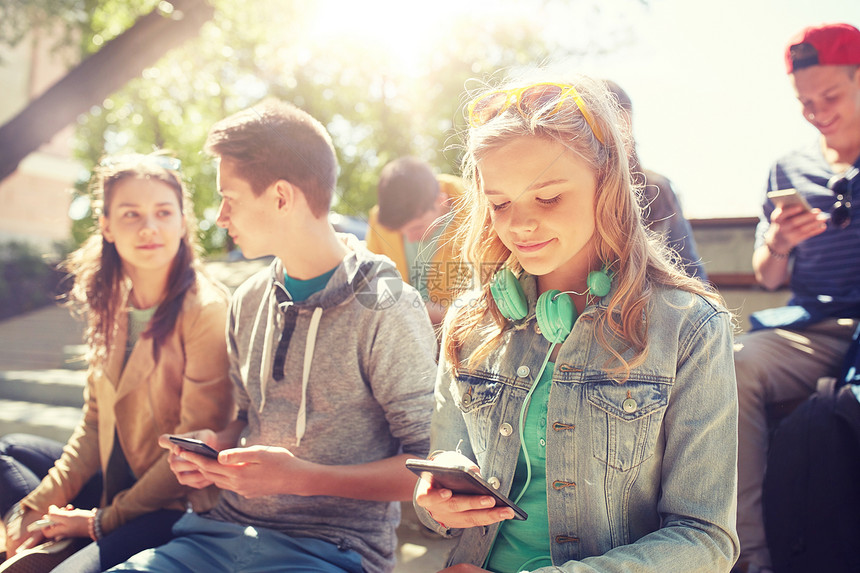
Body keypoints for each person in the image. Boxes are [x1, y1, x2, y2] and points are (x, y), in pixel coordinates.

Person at [413, 73, 740, 572]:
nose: (519, 223)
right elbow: (439, 497)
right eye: (500, 203)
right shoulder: (467, 322)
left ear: (607, 186)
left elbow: (706, 539)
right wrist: (434, 500)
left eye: (548, 198)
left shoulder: (691, 328)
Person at [108, 100, 438, 573]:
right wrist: (213, 449)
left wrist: (304, 480)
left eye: (230, 199)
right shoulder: (247, 299)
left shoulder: (387, 305)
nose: (220, 216)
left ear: (281, 197)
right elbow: (245, 420)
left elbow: (426, 468)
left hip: (332, 550)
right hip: (215, 537)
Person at [0, 153, 234, 572]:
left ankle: (63, 547)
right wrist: (32, 512)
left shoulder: (207, 311)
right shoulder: (113, 305)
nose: (149, 227)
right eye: (131, 214)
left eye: (164, 212)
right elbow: (93, 426)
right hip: (112, 483)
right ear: (106, 226)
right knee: (6, 453)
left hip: (172, 506)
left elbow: (191, 457)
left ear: (183, 222)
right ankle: (44, 537)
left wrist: (96, 523)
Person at [733, 22, 860, 573]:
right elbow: (766, 276)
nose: (818, 112)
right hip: (812, 328)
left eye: (830, 96)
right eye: (805, 102)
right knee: (731, 364)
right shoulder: (789, 166)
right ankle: (750, 557)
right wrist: (780, 243)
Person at [603, 80, 707, 280]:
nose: (620, 147)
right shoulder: (575, 195)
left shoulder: (658, 189)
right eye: (610, 136)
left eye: (625, 136)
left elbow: (691, 270)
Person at [366, 157, 466, 326]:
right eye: (401, 233)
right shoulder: (380, 221)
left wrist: (420, 310)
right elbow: (371, 283)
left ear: (441, 201)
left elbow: (486, 304)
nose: (410, 239)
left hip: (457, 335)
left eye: (417, 228)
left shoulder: (478, 210)